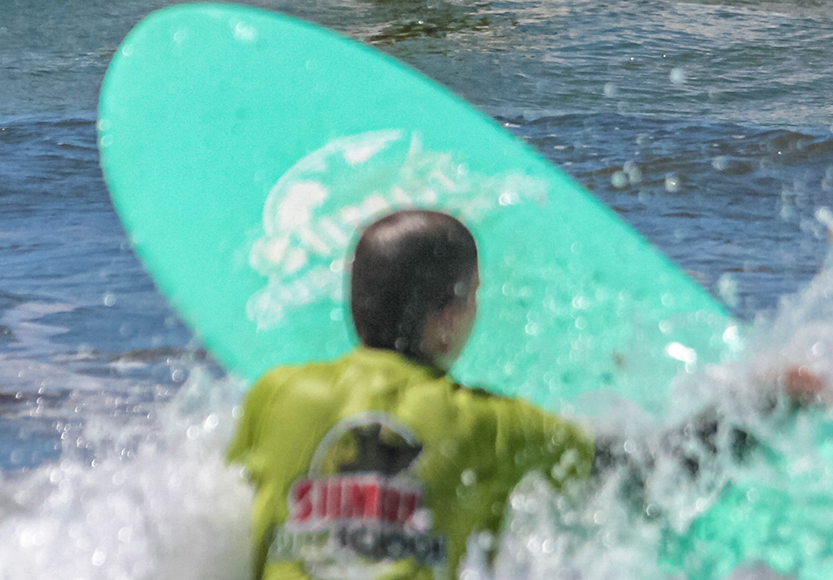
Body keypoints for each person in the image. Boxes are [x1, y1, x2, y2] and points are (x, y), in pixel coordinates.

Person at [227, 210, 592, 580]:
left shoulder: (277, 395)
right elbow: (610, 468)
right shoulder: (492, 424)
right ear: (448, 318)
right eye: (474, 295)